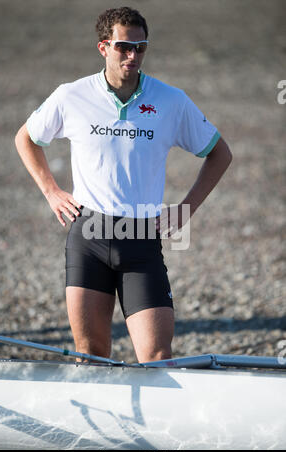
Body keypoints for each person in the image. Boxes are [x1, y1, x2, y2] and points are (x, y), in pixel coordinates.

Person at [15, 7, 232, 363]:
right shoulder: (71, 96)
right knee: (92, 355)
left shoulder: (171, 101)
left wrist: (186, 209)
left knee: (158, 357)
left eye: (140, 48)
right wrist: (51, 191)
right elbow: (26, 138)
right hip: (88, 236)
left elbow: (220, 153)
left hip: (141, 240)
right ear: (104, 47)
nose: (132, 56)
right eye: (123, 47)